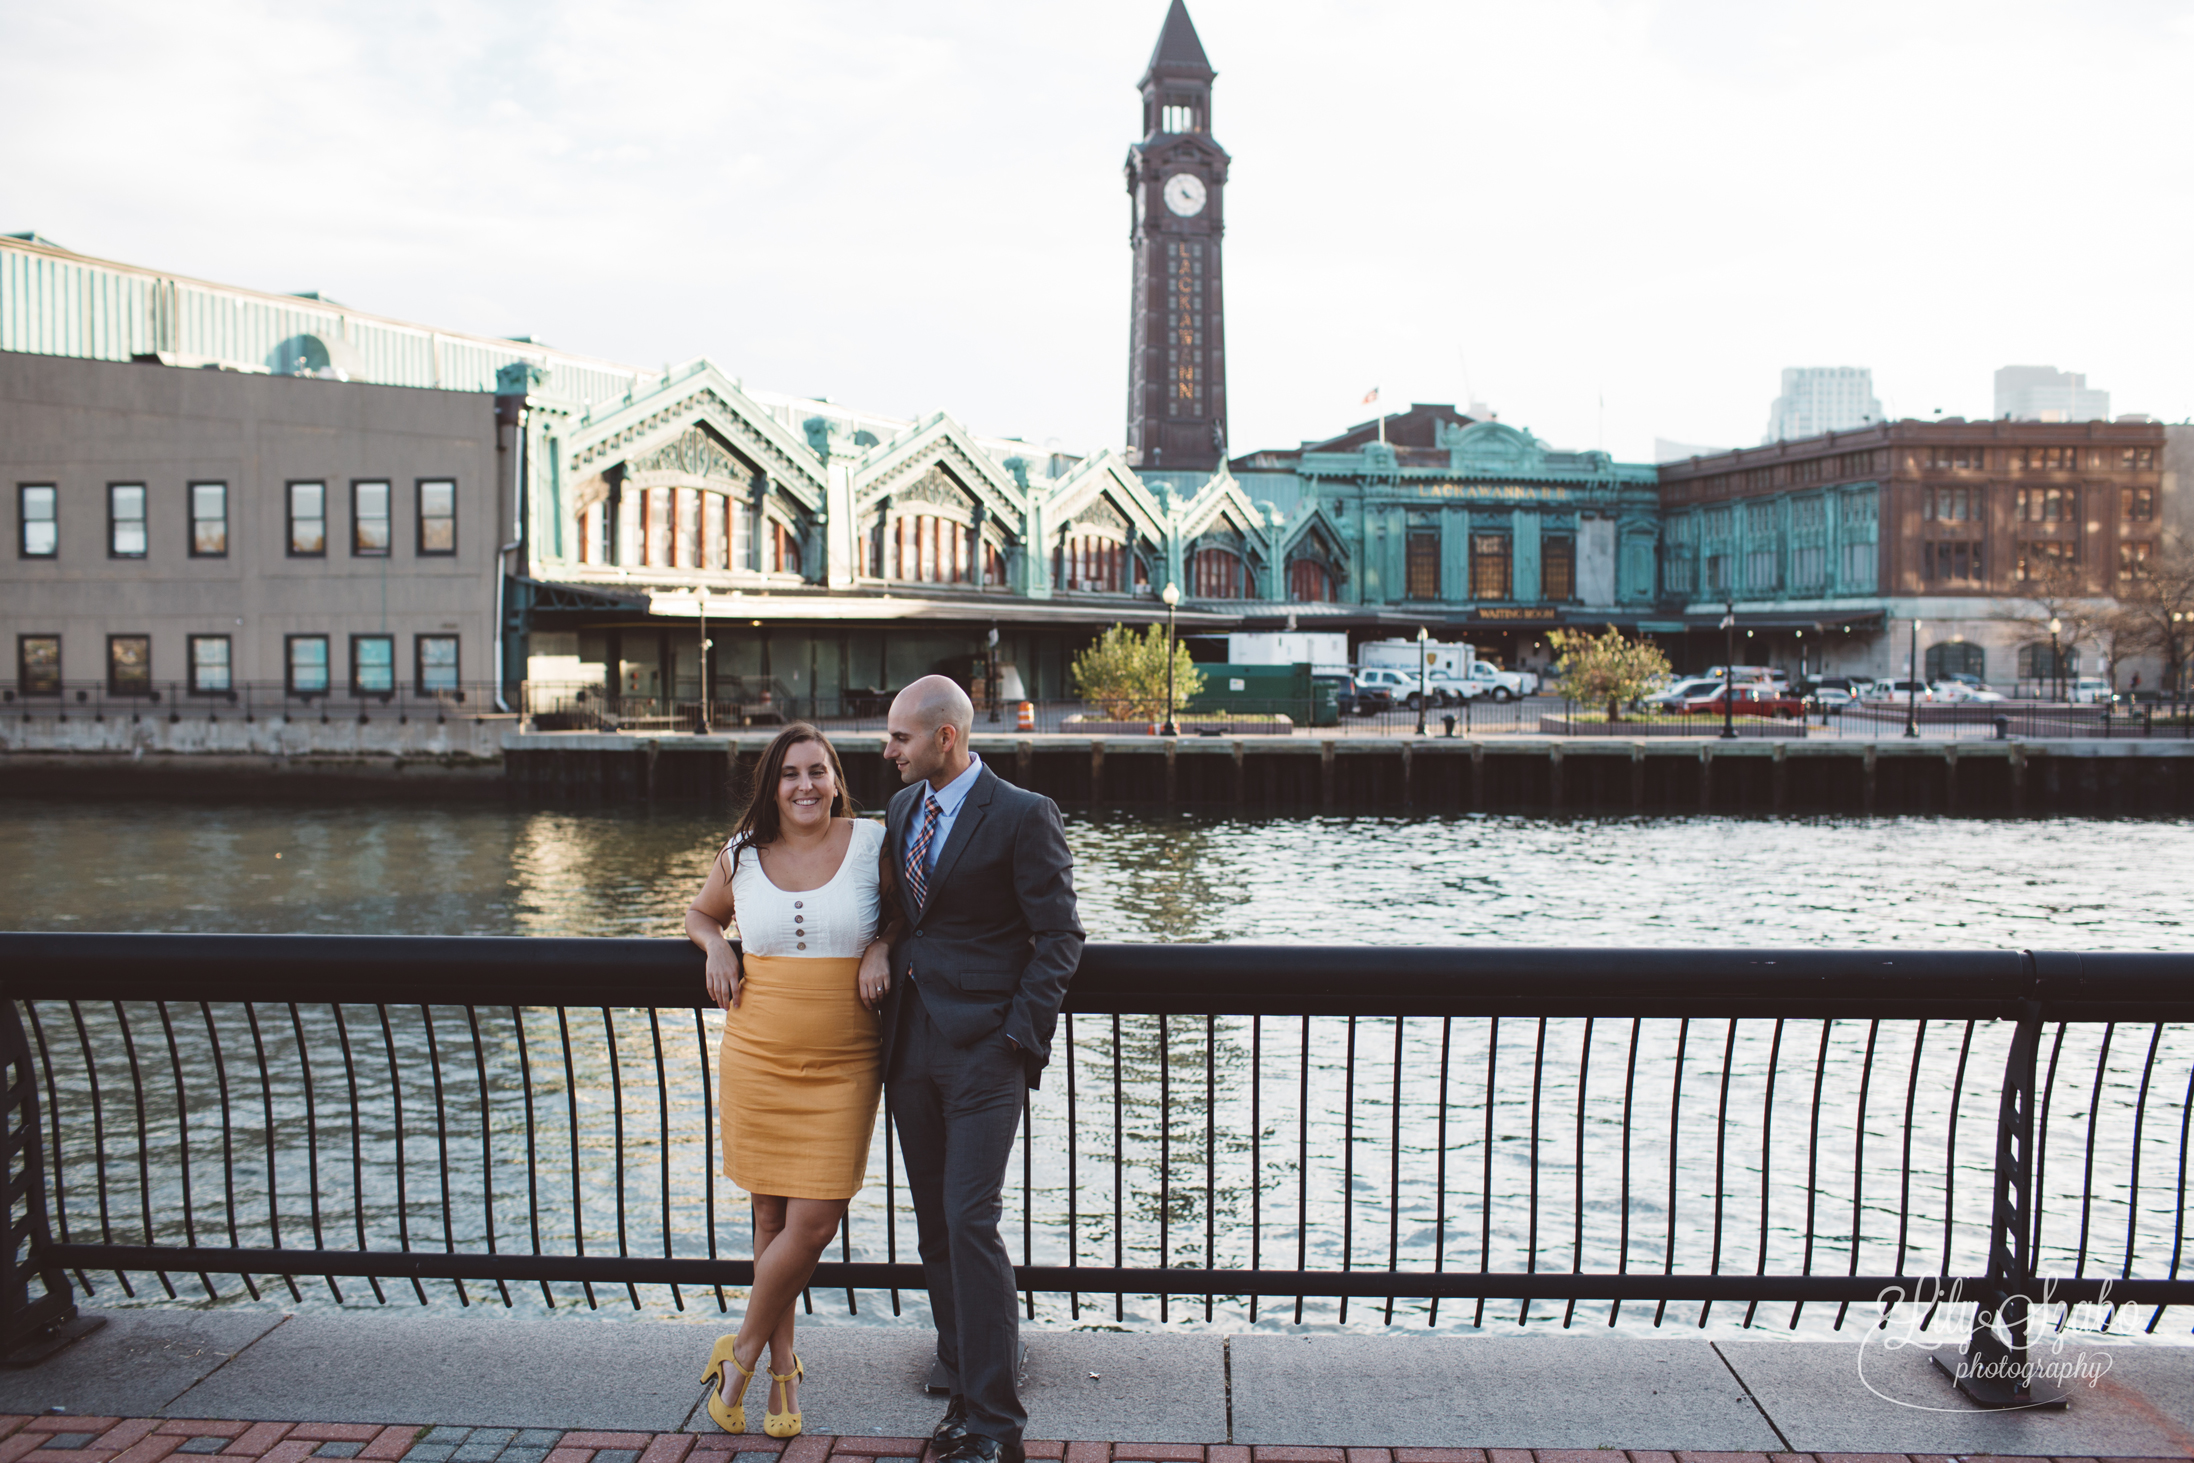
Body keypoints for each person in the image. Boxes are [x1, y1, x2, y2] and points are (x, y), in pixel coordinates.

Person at [876, 675, 1083, 1463]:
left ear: (945, 738)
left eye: (899, 736)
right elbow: (903, 916)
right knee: (935, 1229)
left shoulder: (1025, 814)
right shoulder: (900, 811)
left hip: (986, 1050)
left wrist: (1017, 1038)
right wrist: (878, 948)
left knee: (971, 1221)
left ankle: (997, 1427)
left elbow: (1060, 936)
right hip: (909, 1045)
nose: (887, 749)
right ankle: (959, 1396)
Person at [685, 723, 900, 1439]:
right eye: (790, 773)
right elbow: (698, 911)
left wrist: (880, 944)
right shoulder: (741, 855)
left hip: (845, 1061)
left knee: (813, 1221)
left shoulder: (872, 843)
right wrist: (717, 942)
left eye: (818, 770)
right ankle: (782, 1370)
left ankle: (737, 1351)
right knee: (769, 1220)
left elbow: (910, 917)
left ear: (837, 779)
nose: (805, 785)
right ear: (771, 785)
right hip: (758, 1051)